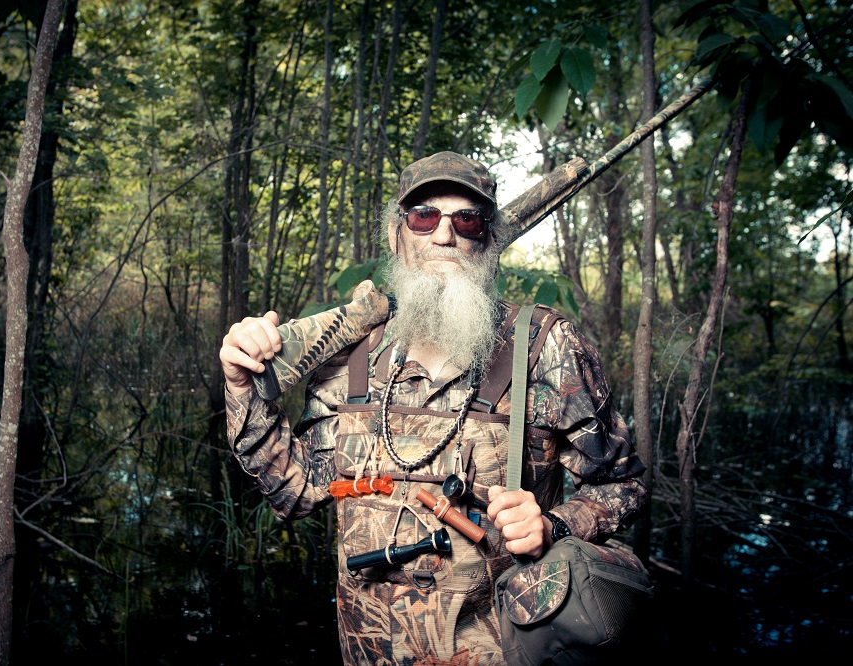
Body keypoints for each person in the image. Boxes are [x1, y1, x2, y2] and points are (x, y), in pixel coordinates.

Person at [219, 151, 647, 664]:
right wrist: (241, 385)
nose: (444, 235)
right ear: (397, 233)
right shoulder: (350, 354)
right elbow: (296, 490)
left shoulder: (544, 346)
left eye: (466, 219)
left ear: (487, 238)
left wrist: (553, 526)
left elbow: (623, 485)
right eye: (424, 216)